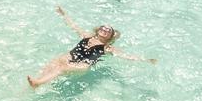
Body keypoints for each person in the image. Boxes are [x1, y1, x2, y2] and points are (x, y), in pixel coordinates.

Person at [27, 6, 156, 87]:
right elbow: (73, 26)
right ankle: (37, 80)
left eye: (108, 30)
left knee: (62, 67)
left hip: (84, 65)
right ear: (98, 29)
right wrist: (64, 14)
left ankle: (38, 83)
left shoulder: (106, 47)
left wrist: (146, 60)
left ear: (109, 37)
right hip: (71, 57)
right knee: (55, 62)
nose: (104, 29)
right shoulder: (87, 36)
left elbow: (126, 56)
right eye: (103, 27)